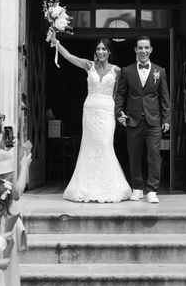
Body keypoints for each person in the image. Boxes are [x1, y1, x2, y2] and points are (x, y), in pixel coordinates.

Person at [50, 34, 132, 202]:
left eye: (104, 49)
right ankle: (86, 186)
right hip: (90, 110)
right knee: (89, 146)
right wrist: (55, 42)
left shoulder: (117, 70)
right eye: (98, 49)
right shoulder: (89, 66)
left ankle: (110, 186)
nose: (101, 51)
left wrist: (119, 113)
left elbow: (117, 95)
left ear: (109, 52)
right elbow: (68, 57)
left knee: (104, 144)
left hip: (107, 111)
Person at [115, 36, 171, 204]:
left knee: (154, 156)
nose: (143, 51)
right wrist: (119, 112)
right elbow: (120, 94)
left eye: (146, 48)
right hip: (133, 120)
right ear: (135, 50)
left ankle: (152, 190)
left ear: (151, 49)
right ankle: (137, 188)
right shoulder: (127, 71)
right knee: (134, 155)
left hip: (154, 121)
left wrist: (166, 118)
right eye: (140, 48)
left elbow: (164, 97)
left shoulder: (159, 71)